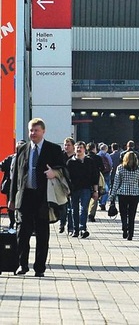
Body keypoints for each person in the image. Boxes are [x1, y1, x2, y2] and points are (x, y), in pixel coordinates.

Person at [8, 118, 66, 277]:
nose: (33, 133)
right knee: (22, 233)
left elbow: (64, 170)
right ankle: (22, 265)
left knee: (42, 234)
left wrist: (55, 173)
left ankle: (39, 267)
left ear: (43, 131)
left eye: (36, 130)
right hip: (25, 196)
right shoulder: (23, 149)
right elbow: (16, 175)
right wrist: (12, 198)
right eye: (31, 131)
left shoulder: (53, 149)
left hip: (43, 198)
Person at [109, 151, 139, 240]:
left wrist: (112, 196)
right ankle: (130, 233)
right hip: (134, 194)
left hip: (122, 193)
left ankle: (124, 227)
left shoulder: (120, 168)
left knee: (123, 213)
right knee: (132, 214)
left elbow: (116, 183)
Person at [66, 142, 100, 238]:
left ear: (84, 149)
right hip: (73, 189)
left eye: (81, 147)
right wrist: (67, 189)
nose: (78, 149)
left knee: (84, 208)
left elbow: (95, 176)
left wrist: (95, 191)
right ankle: (75, 229)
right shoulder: (70, 162)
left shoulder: (90, 161)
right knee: (74, 209)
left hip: (86, 188)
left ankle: (82, 229)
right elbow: (66, 177)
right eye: (77, 147)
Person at [1, 140, 25, 229]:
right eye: (18, 146)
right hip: (11, 185)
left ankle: (23, 223)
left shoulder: (28, 158)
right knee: (10, 205)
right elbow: (2, 166)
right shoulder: (11, 158)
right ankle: (12, 222)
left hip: (23, 186)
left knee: (23, 205)